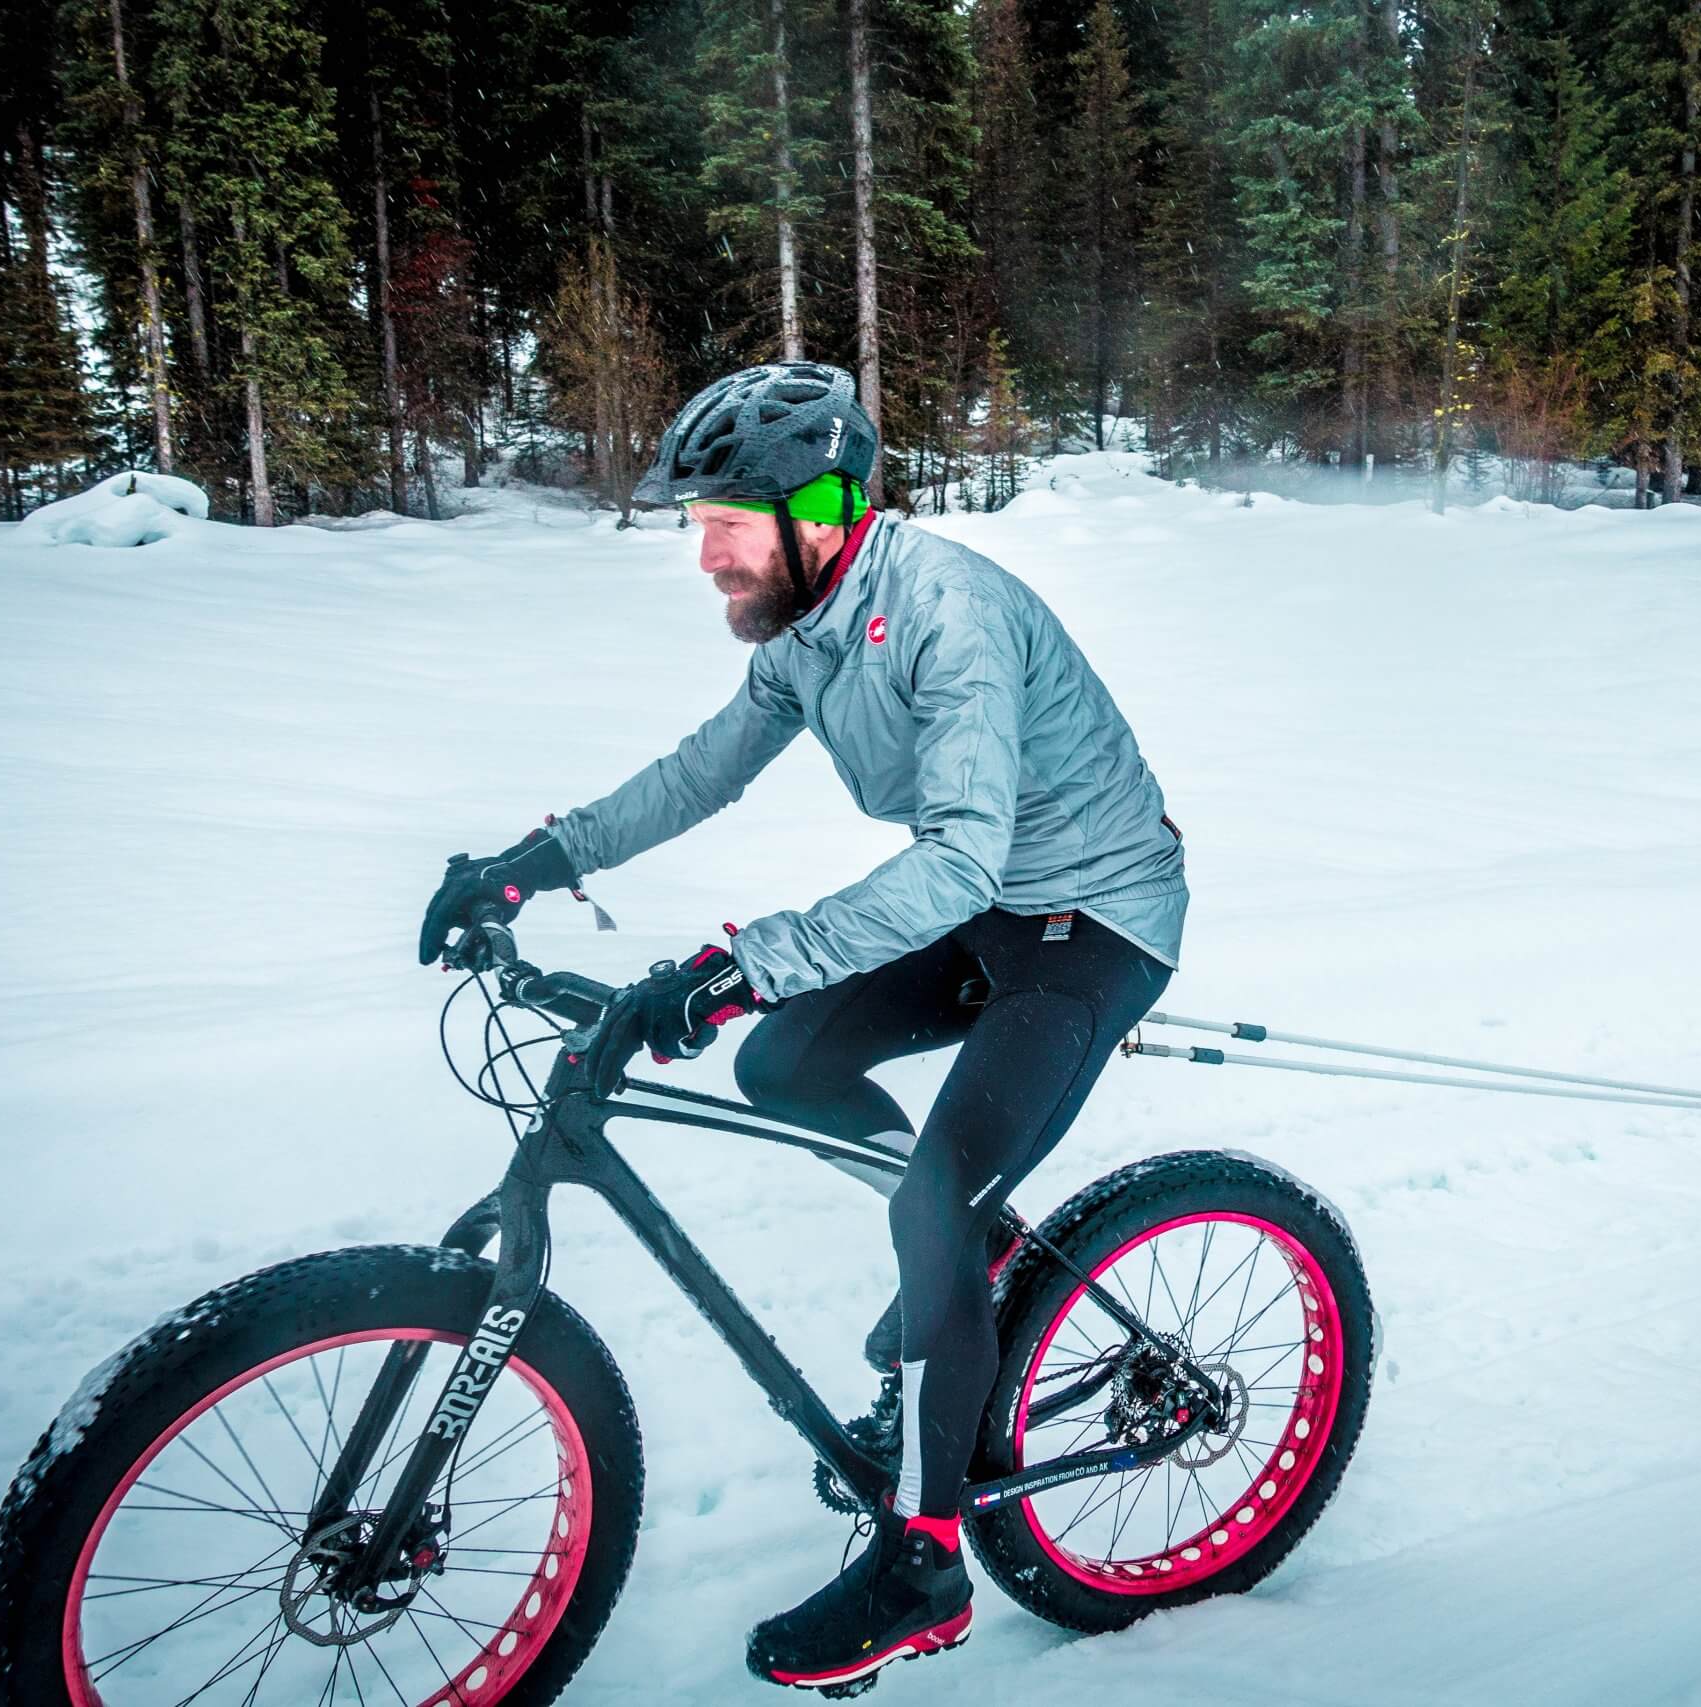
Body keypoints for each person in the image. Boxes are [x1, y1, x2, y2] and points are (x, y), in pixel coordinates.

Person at [416, 362, 1187, 1691]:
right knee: (787, 1062)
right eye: (697, 520)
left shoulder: (945, 615)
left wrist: (740, 961)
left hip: (1095, 917)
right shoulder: (805, 633)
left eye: (724, 517)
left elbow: (952, 860)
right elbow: (699, 772)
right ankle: (975, 1260)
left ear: (822, 508)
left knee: (930, 1187)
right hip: (992, 895)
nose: (702, 548)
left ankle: (929, 1561)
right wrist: (533, 861)